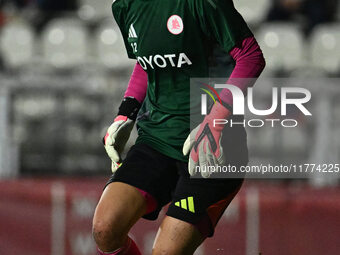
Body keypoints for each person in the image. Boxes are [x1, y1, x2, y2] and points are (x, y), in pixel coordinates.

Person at [92, 0, 265, 254]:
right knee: (104, 229)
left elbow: (251, 56)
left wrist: (215, 120)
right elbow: (146, 59)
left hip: (212, 149)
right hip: (157, 138)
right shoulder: (126, 7)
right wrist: (125, 114)